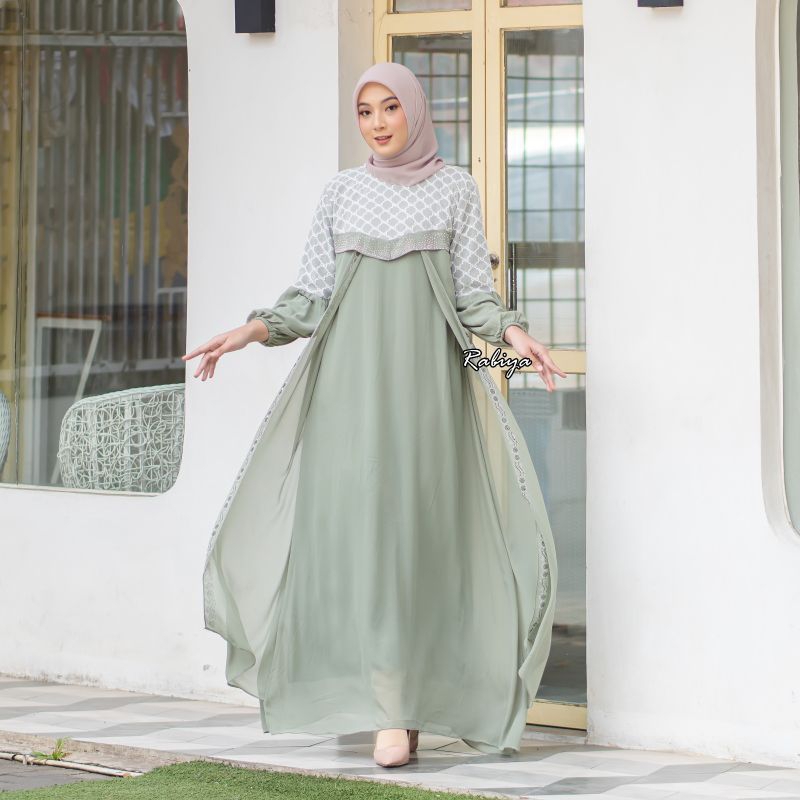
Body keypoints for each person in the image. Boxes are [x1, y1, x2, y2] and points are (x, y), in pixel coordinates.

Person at [184, 61, 565, 768]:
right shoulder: (341, 192)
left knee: (417, 541)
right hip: (346, 392)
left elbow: (471, 296)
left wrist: (514, 336)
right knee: (359, 543)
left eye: (390, 107)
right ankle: (383, 701)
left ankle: (405, 705)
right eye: (365, 111)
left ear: (415, 111)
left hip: (429, 392)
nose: (378, 123)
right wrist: (249, 331)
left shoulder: (454, 188)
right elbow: (310, 297)